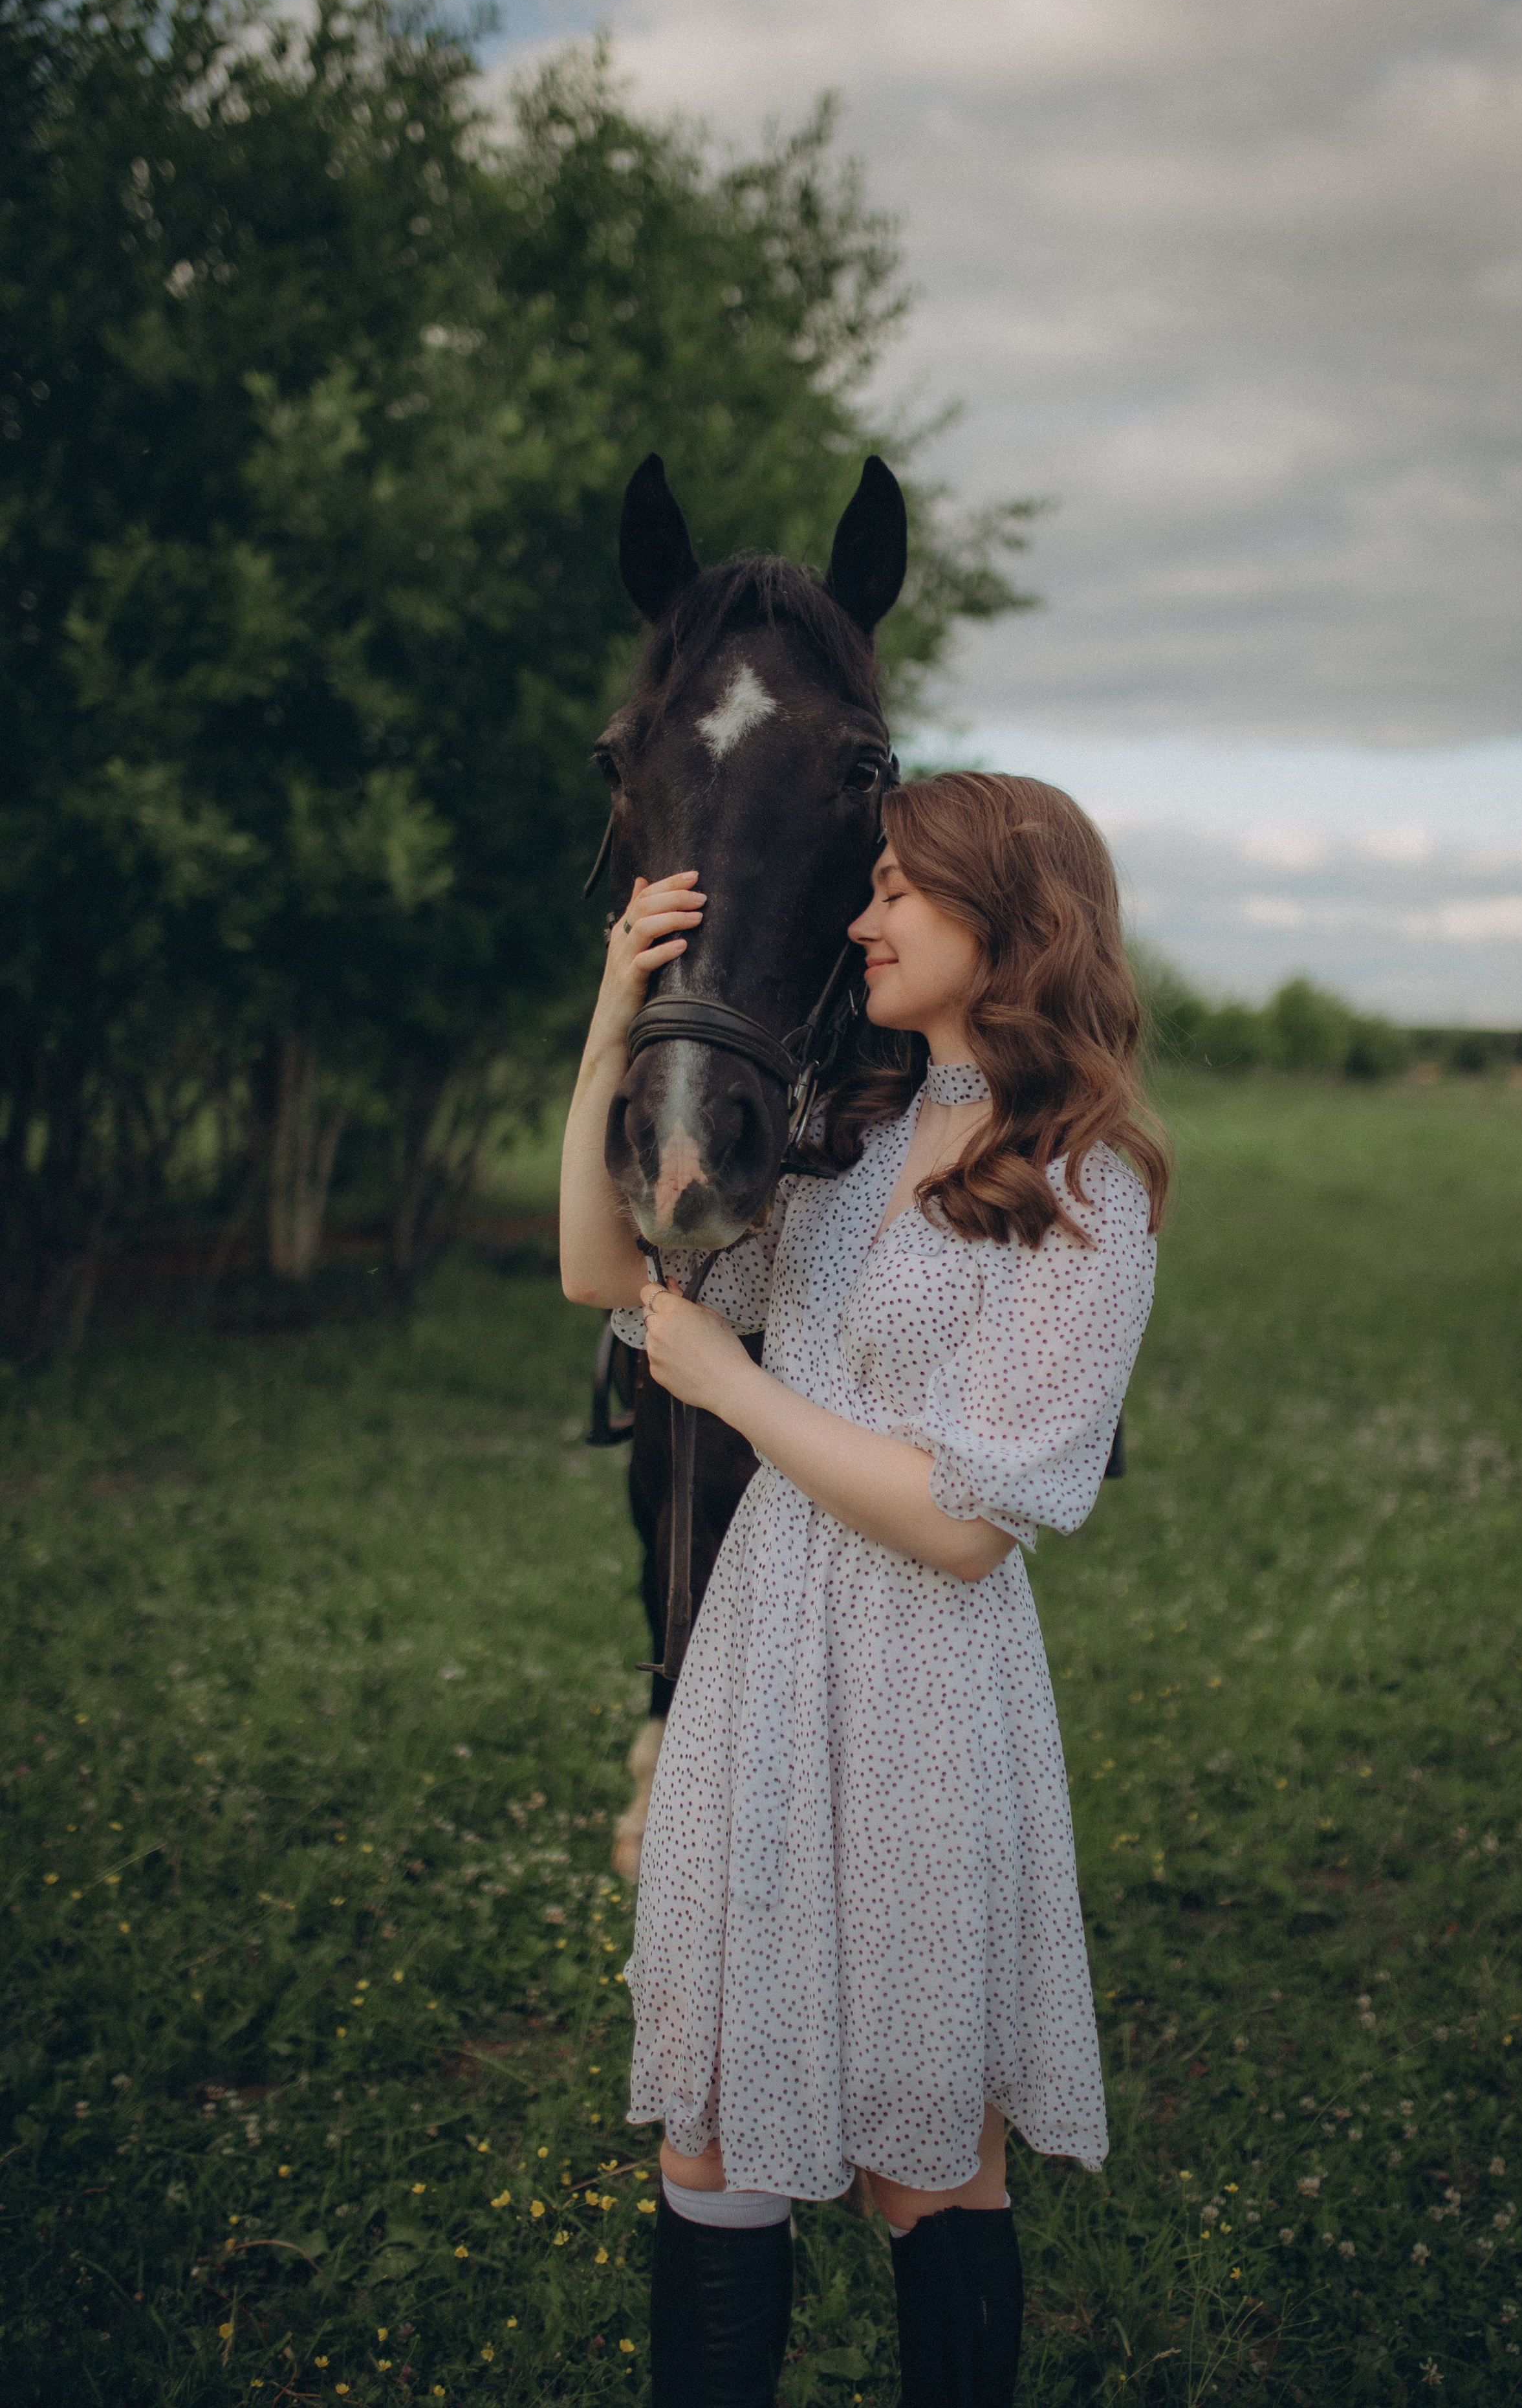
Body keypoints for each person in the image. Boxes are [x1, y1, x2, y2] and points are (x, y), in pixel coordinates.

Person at [560, 771, 1166, 2407]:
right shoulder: (850, 1144)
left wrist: (737, 1390)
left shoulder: (1087, 1188)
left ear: (1010, 916)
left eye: (896, 887)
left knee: (925, 2151)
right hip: (760, 1653)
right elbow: (604, 1270)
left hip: (920, 1686)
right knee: (707, 2117)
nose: (859, 918)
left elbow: (969, 1527)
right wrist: (615, 1018)